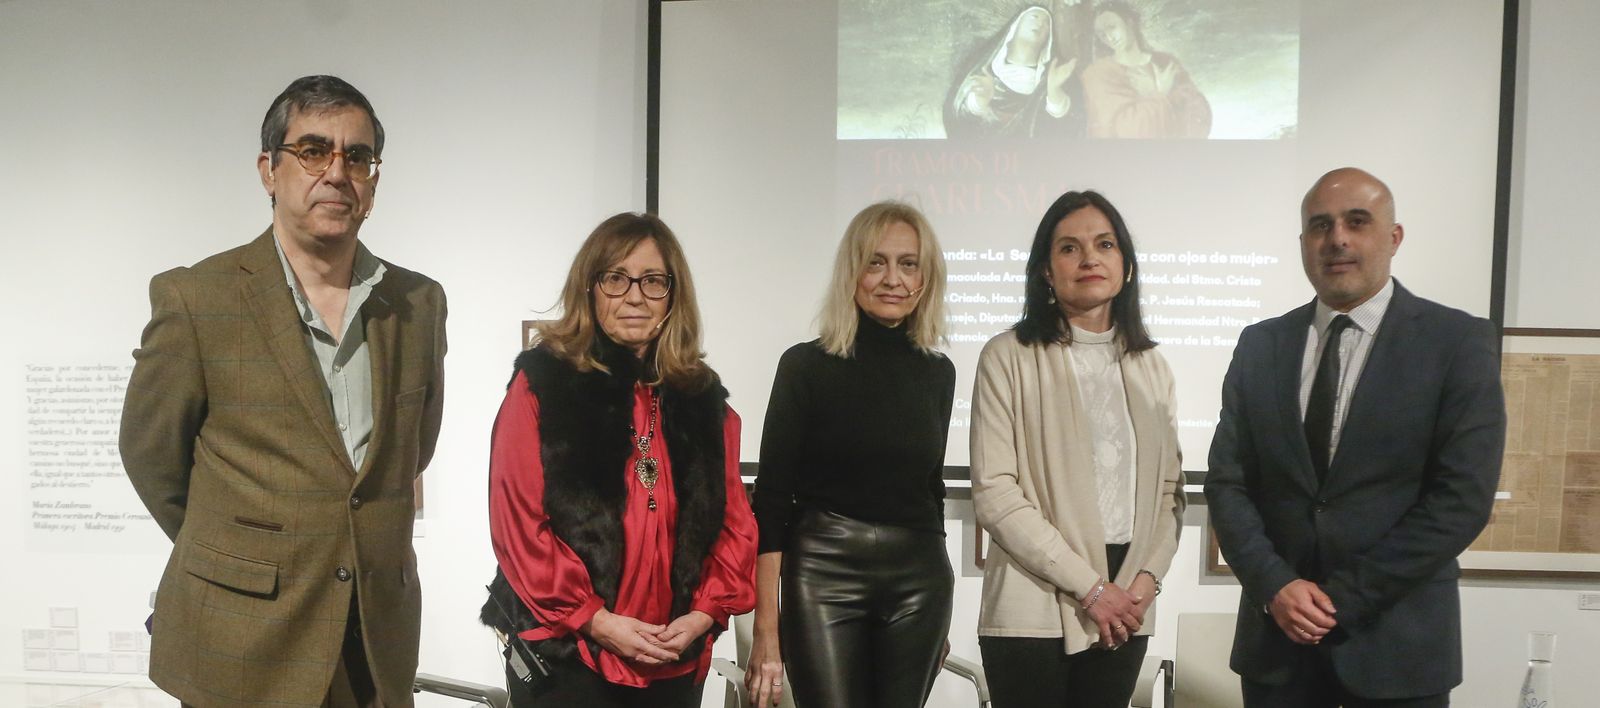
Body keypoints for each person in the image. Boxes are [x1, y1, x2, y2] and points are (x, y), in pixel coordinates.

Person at [118, 75, 446, 707]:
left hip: (372, 632)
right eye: (313, 150)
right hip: (243, 636)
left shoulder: (418, 302)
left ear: (374, 178)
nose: (337, 172)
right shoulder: (198, 298)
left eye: (358, 155)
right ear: (270, 169)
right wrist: (240, 549)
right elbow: (150, 455)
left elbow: (412, 450)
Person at [1205, 168, 1505, 707]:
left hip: (1399, 650)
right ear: (1303, 244)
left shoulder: (1457, 342)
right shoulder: (1261, 345)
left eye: (1357, 222)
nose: (1337, 238)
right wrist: (1274, 587)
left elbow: (1461, 500)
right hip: (1278, 653)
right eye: (1320, 225)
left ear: (1393, 238)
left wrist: (1338, 601)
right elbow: (1229, 482)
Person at [481, 213, 757, 707]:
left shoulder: (702, 398)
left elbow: (734, 527)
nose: (634, 296)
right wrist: (596, 620)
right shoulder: (541, 384)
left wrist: (703, 615)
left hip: (675, 653)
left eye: (652, 281)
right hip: (569, 652)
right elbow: (518, 525)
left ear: (673, 295)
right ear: (590, 288)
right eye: (616, 278)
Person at [969, 190, 1185, 707]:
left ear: (1126, 266)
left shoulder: (1152, 366)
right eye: (1069, 248)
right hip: (1033, 605)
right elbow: (996, 494)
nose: (1089, 258)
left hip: (1127, 606)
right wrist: (1091, 589)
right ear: (1046, 270)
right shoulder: (1008, 356)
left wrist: (1145, 581)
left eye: (1104, 244)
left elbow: (1168, 494)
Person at [747, 201, 956, 708]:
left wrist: (936, 614)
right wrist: (766, 631)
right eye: (876, 262)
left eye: (909, 264)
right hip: (822, 571)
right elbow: (772, 500)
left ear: (926, 279)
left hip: (919, 581)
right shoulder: (804, 366)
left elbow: (930, 489)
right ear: (853, 272)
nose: (893, 279)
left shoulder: (939, 372)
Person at [944, 2, 1085, 139]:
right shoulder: (983, 70)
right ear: (1015, 26)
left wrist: (1054, 92)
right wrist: (978, 101)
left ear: (1048, 39)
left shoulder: (1053, 78)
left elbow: (1068, 131)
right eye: (1034, 17)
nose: (1041, 24)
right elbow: (957, 121)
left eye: (1047, 23)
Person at [1080, 0, 1210, 138]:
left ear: (1129, 22)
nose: (1109, 37)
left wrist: (1161, 96)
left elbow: (1199, 115)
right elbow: (1128, 131)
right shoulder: (1099, 73)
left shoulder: (1165, 62)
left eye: (1112, 27)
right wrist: (1159, 94)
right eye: (1102, 34)